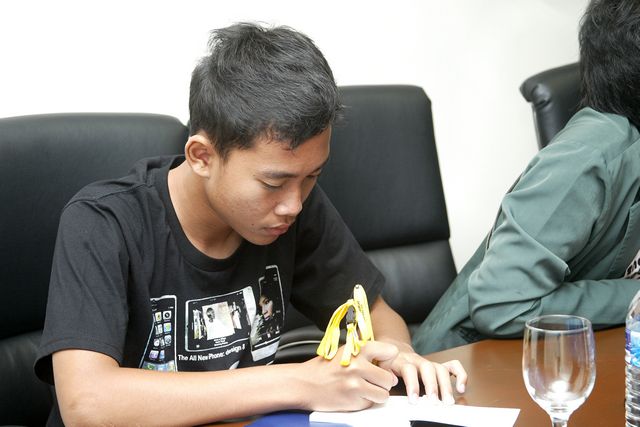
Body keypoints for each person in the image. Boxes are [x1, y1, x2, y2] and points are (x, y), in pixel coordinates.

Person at [35, 23, 466, 426]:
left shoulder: (293, 208)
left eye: (312, 177)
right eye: (273, 183)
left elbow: (377, 316)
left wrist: (396, 354)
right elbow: (86, 403)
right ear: (202, 157)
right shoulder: (102, 221)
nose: (293, 205)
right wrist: (300, 383)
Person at [413, 0, 640, 355]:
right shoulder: (590, 156)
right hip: (470, 368)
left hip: (580, 353)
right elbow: (501, 303)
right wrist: (634, 297)